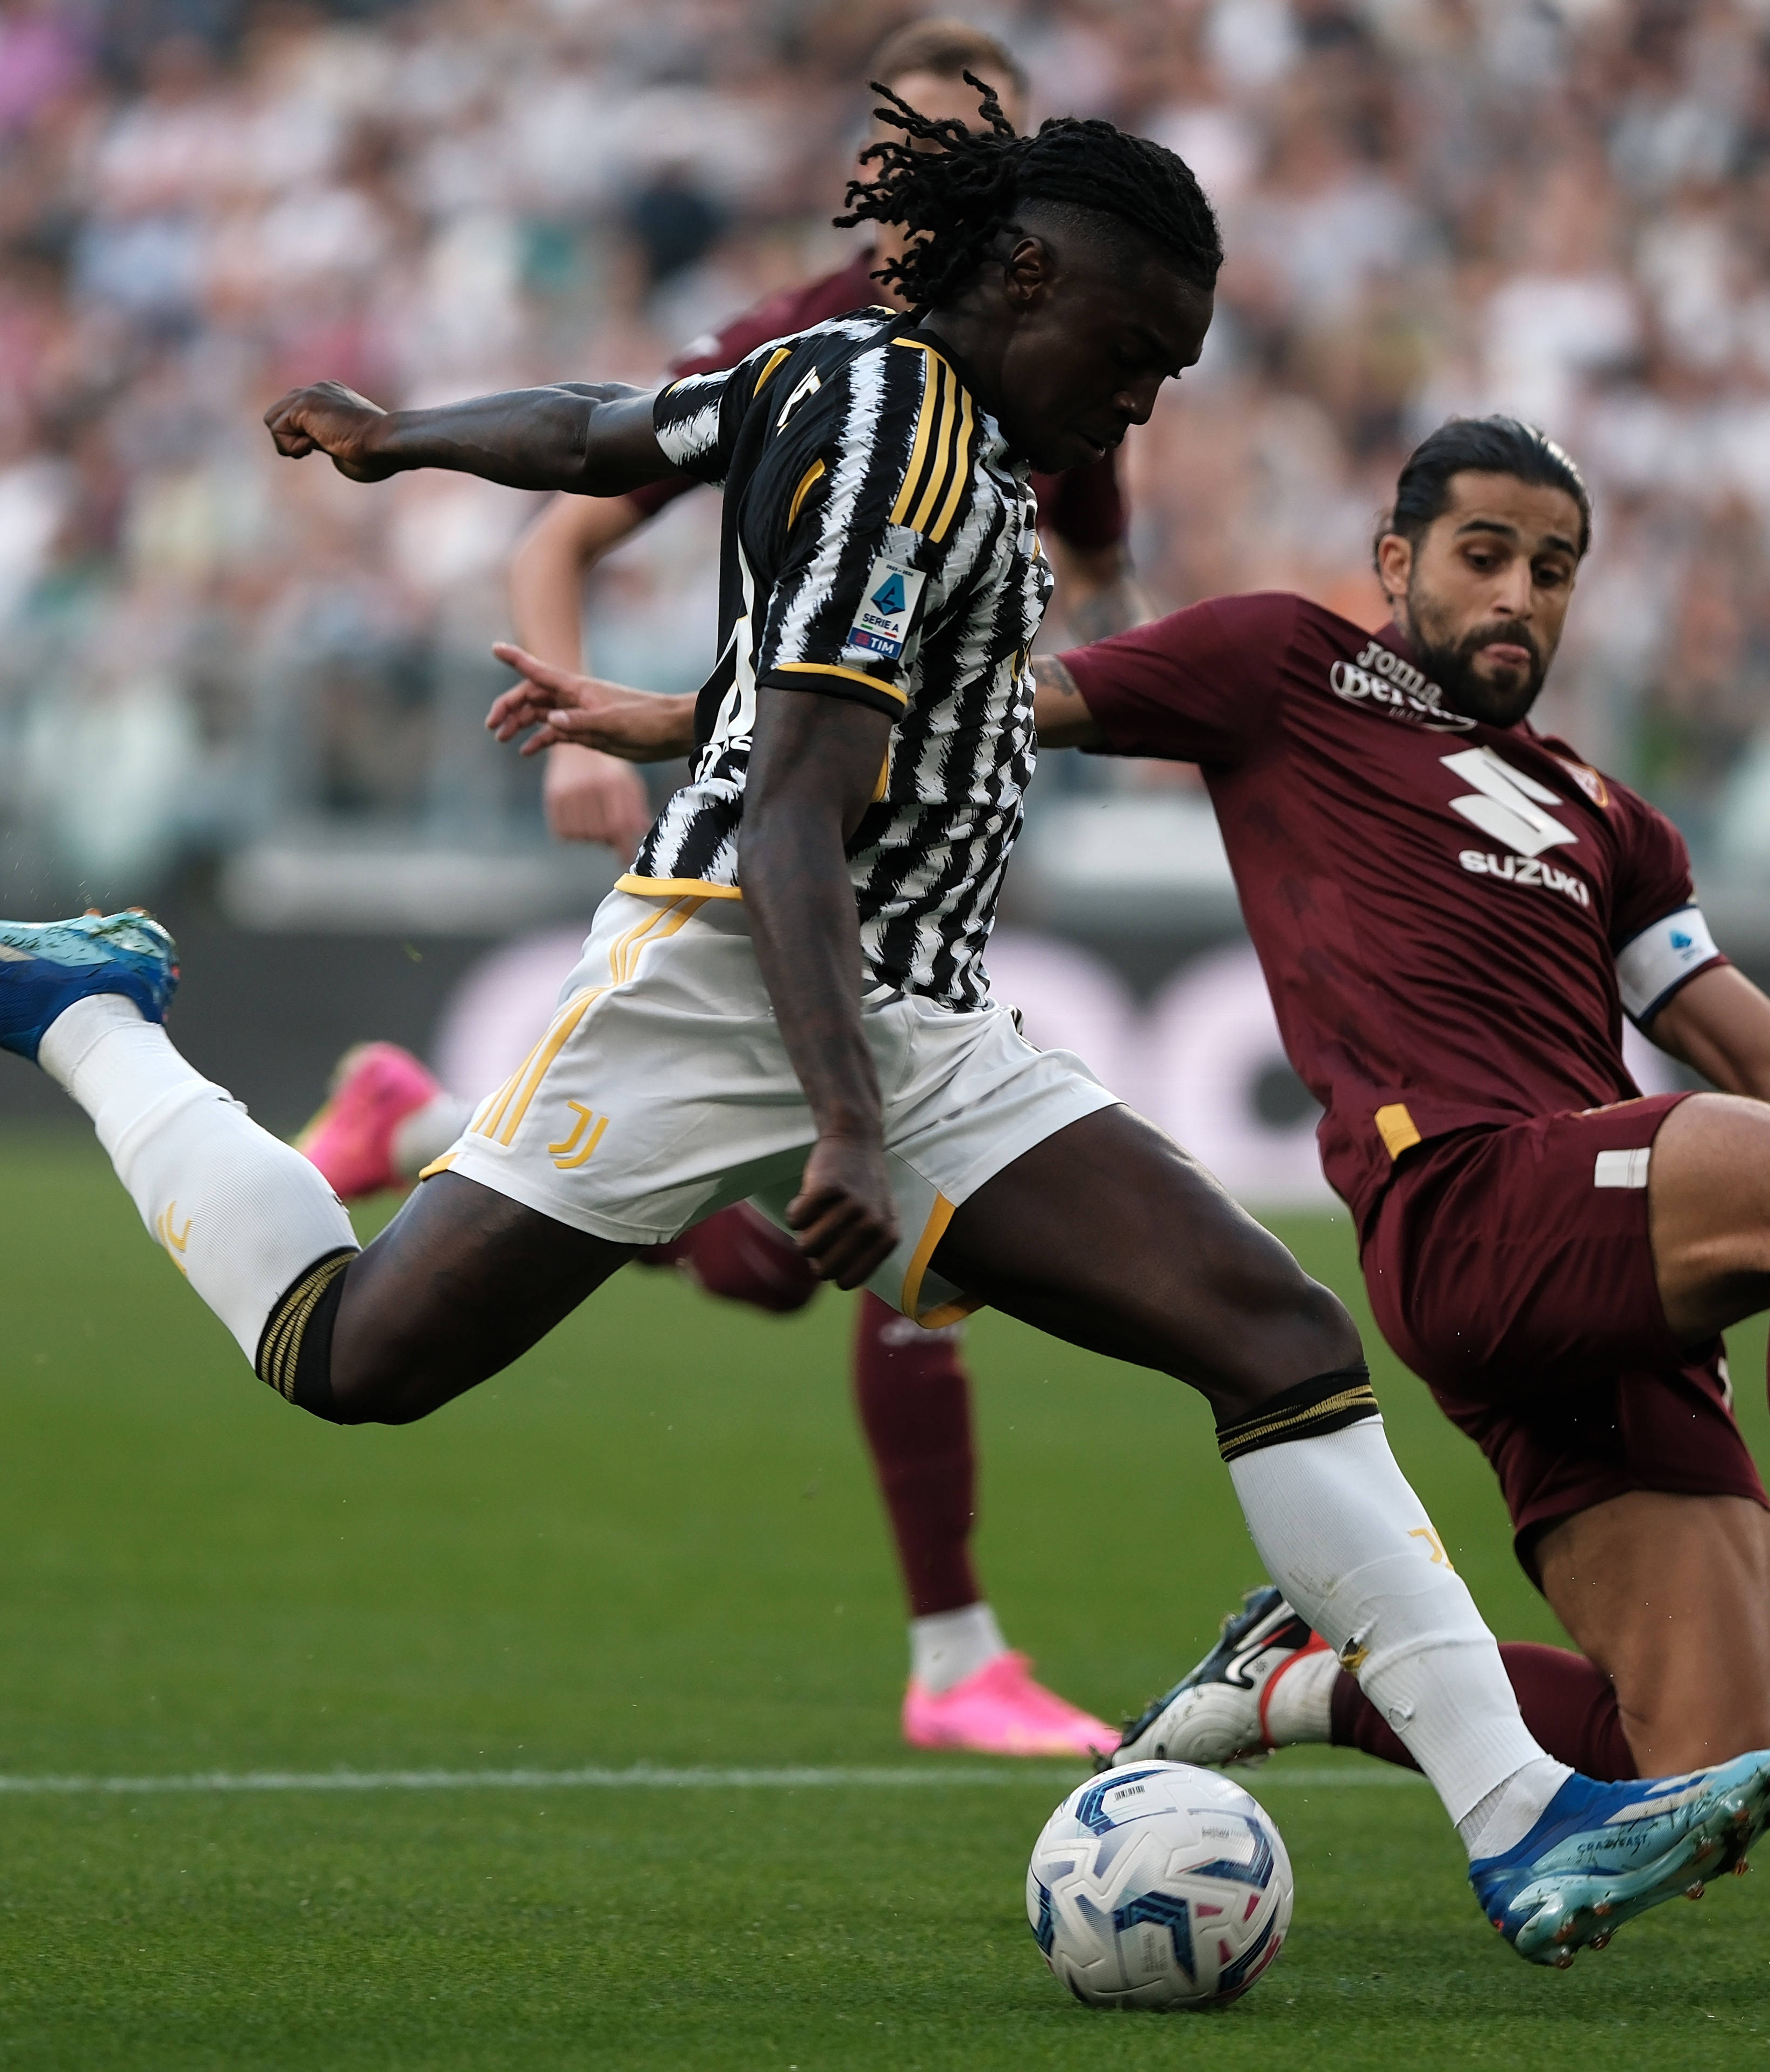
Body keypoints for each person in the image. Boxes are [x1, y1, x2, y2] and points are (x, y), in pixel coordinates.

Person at [0, 93, 1770, 1969]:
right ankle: (99, 1018)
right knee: (352, 1355)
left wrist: (404, 435)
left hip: (908, 994)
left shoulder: (848, 381)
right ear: (1029, 277)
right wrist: (846, 1136)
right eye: (1142, 344)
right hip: (728, 974)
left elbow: (614, 427)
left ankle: (1523, 1817)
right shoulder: (902, 435)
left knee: (1272, 1337)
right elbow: (791, 802)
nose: (1154, 391)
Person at [1022, 419, 1770, 1811]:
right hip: (1465, 1203)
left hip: (1601, 1254)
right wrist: (729, 727)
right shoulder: (1287, 666)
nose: (1521, 593)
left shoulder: (1610, 819)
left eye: (1554, 567)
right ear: (1398, 561)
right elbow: (1020, 706)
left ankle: (1303, 1674)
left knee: (1706, 1760)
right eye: (1485, 554)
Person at [294, 21, 1130, 1762]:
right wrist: (596, 728)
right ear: (871, 148)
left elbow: (1077, 595)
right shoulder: (804, 343)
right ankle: (956, 1647)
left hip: (936, 821)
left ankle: (429, 1112)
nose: (931, 174)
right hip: (786, 813)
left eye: (972, 143)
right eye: (907, 136)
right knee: (887, 1220)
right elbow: (579, 502)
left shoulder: (1061, 353)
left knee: (766, 1263)